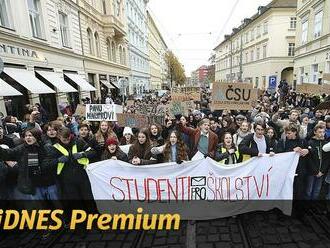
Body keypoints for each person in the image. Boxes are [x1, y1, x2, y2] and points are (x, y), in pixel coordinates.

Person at [0, 128, 58, 201]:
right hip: (34, 185)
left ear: (36, 136)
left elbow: (51, 163)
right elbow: (7, 154)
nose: (28, 138)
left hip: (50, 183)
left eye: (30, 135)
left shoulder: (46, 147)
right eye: (26, 136)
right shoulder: (22, 148)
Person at [51, 127, 96, 203]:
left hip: (82, 176)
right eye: (64, 140)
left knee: (88, 198)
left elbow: (92, 152)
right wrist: (58, 160)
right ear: (59, 137)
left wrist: (82, 154)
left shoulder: (78, 141)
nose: (66, 142)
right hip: (67, 179)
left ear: (70, 135)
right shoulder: (55, 146)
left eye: (68, 139)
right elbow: (48, 162)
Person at [277, 123, 309, 201]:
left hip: (300, 172)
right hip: (286, 172)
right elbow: (279, 154)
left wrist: (307, 151)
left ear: (295, 132)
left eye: (289, 133)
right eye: (286, 133)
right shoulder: (282, 141)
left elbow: (310, 152)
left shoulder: (302, 141)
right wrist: (292, 151)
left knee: (298, 192)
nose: (287, 135)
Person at [305, 125, 330, 200]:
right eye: (319, 132)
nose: (322, 134)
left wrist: (322, 171)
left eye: (323, 132)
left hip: (321, 172)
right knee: (308, 191)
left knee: (317, 191)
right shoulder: (310, 143)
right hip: (311, 172)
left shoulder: (326, 144)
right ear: (315, 132)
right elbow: (308, 159)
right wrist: (315, 171)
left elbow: (327, 159)